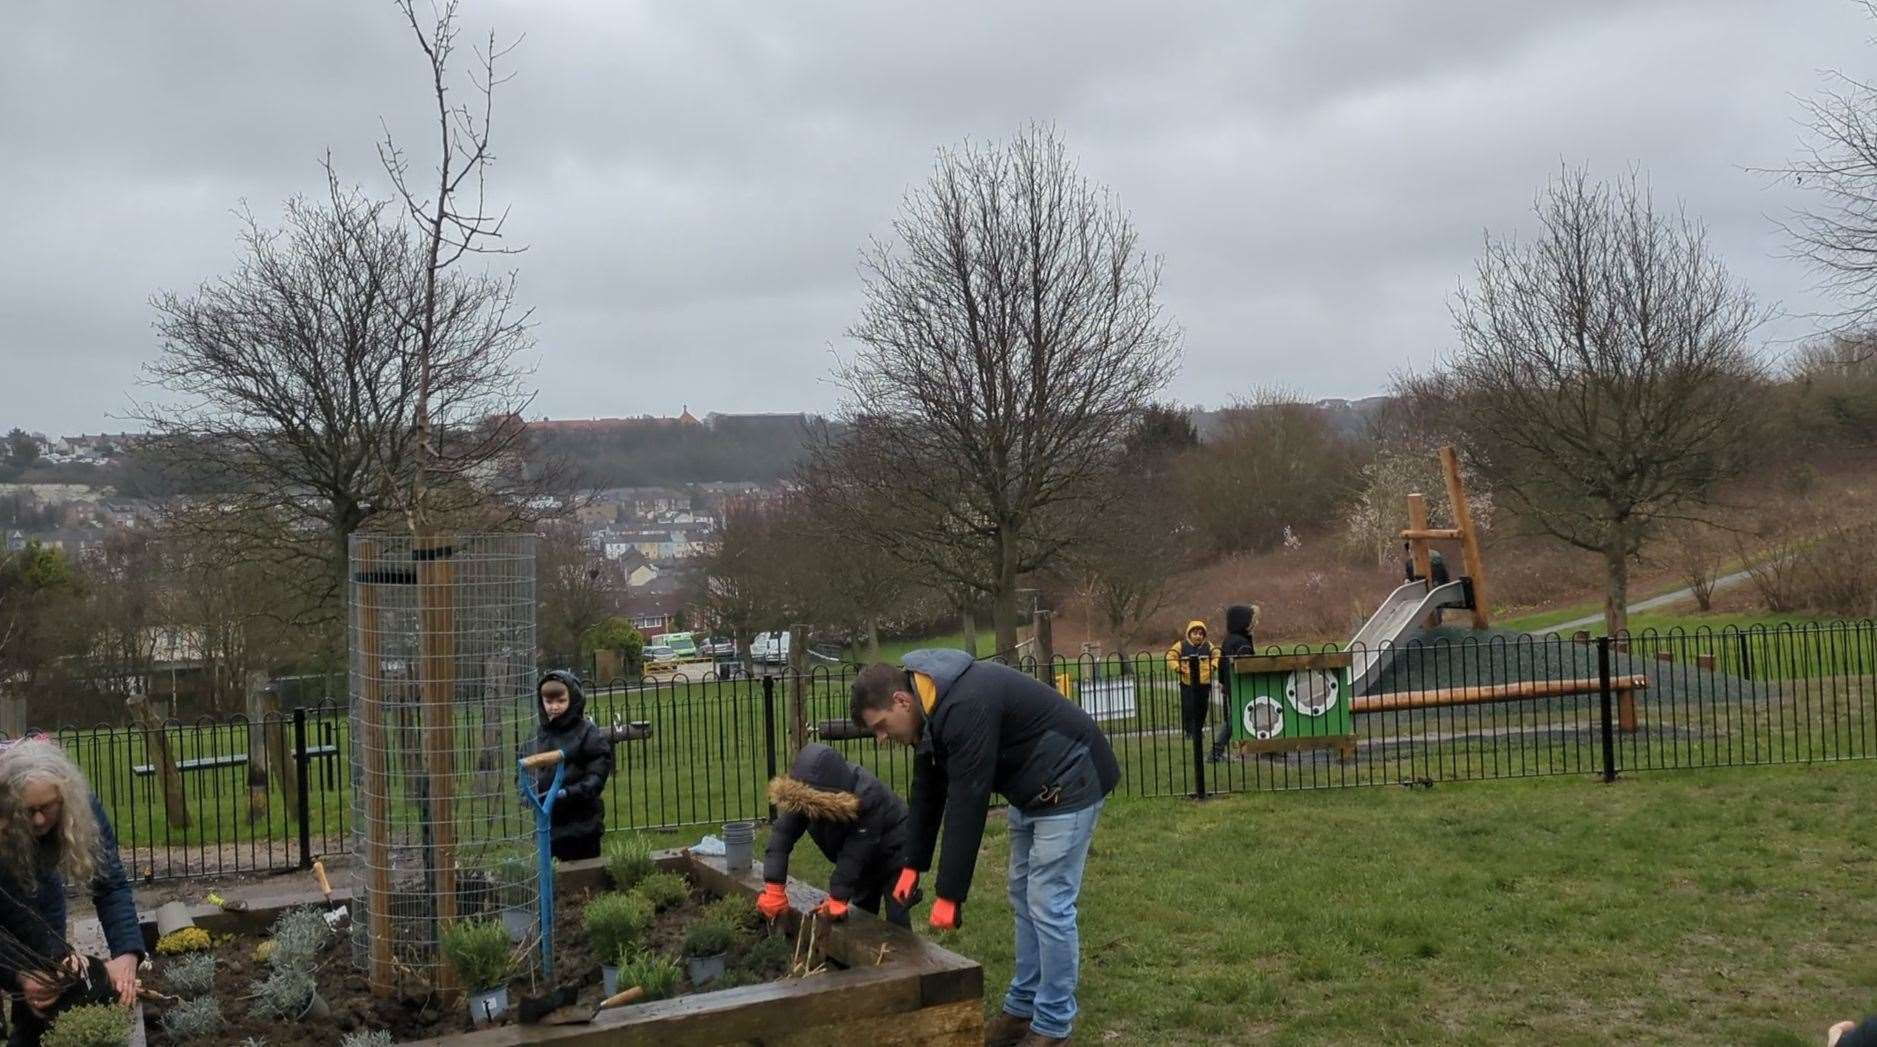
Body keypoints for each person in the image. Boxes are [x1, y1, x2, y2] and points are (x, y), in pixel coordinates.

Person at [851, 650, 1118, 1047]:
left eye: (881, 726)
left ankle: (1052, 1025)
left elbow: (967, 798)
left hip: (1072, 778)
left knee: (1049, 903)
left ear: (900, 702)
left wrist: (949, 895)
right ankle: (1021, 1009)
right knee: (1024, 897)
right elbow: (927, 792)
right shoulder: (931, 704)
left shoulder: (963, 705)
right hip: (1034, 791)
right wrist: (912, 865)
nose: (881, 738)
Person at [0, 738, 142, 1045]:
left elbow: (111, 884)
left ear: (64, 797)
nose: (38, 820)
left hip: (39, 886)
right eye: (29, 811)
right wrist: (19, 975)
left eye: (47, 808)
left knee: (50, 978)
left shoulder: (81, 807)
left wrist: (126, 955)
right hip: (7, 867)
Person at [756, 742, 913, 927]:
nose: (809, 813)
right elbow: (782, 836)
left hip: (895, 850)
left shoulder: (868, 797)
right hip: (861, 863)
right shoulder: (802, 798)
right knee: (861, 912)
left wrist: (838, 897)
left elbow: (856, 851)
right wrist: (774, 887)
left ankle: (906, 952)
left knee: (897, 916)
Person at [526, 670, 613, 861]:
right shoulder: (538, 735)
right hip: (547, 823)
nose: (554, 707)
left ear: (572, 699)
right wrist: (525, 792)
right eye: (548, 702)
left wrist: (569, 793)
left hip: (582, 825)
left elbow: (597, 773)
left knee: (584, 877)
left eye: (560, 701)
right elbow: (525, 768)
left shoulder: (588, 733)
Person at [1209, 604, 1259, 763]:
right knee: (1235, 718)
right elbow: (1246, 665)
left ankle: (1218, 750)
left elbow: (1222, 664)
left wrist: (1224, 683)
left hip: (1232, 686)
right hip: (1240, 686)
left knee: (1235, 717)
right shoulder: (1240, 642)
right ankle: (1216, 752)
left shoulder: (1229, 639)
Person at [1164, 620, 1218, 745]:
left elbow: (1217, 654)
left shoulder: (1208, 646)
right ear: (1189, 634)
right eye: (1195, 633)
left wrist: (1213, 666)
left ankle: (1198, 730)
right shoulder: (1181, 645)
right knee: (1188, 708)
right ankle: (1189, 731)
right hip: (1187, 683)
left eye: (1201, 634)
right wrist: (1177, 668)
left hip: (1204, 683)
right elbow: (1170, 656)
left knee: (1202, 708)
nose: (1198, 636)